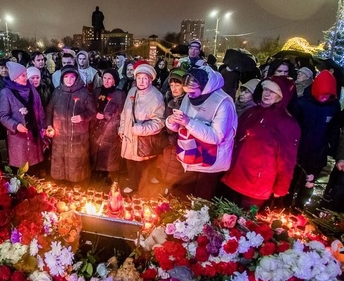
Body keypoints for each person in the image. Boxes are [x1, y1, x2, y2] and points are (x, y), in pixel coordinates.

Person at [220, 76, 300, 209]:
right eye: (265, 89)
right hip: (235, 176)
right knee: (222, 220)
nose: (267, 94)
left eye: (273, 92)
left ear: (281, 96)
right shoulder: (251, 112)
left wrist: (281, 187)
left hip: (257, 184)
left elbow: (287, 159)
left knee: (244, 225)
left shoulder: (287, 123)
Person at [164, 67, 237, 200]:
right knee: (183, 199)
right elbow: (182, 126)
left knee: (200, 204)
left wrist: (188, 122)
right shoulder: (189, 95)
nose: (189, 96)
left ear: (204, 87)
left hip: (208, 164)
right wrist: (171, 121)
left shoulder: (223, 103)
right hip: (190, 157)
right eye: (187, 92)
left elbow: (216, 137)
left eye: (192, 92)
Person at [289, 70, 340, 209]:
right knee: (291, 180)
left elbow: (334, 130)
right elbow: (292, 127)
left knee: (309, 182)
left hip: (318, 152)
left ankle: (299, 208)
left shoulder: (333, 106)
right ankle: (284, 205)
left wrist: (332, 150)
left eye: (328, 95)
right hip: (299, 150)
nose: (325, 97)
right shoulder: (301, 103)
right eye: (322, 94)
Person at [119, 63, 165, 195]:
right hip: (129, 136)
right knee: (130, 162)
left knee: (142, 165)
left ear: (151, 80)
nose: (142, 81)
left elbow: (159, 122)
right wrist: (122, 129)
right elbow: (125, 112)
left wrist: (141, 129)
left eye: (145, 78)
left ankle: (144, 189)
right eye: (139, 78)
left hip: (143, 139)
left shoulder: (156, 97)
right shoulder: (132, 91)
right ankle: (133, 184)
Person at [45, 65, 97, 183]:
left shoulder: (84, 93)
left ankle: (77, 182)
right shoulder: (57, 92)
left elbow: (92, 112)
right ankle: (61, 181)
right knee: (60, 159)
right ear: (62, 78)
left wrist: (82, 117)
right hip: (60, 136)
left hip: (77, 136)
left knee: (76, 161)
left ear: (77, 78)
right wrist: (49, 125)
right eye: (66, 77)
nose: (69, 79)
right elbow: (49, 110)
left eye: (72, 77)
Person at [0, 62, 45, 174]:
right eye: (22, 75)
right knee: (22, 169)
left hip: (33, 135)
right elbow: (2, 115)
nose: (26, 77)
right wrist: (15, 125)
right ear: (14, 78)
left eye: (25, 74)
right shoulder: (6, 93)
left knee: (34, 167)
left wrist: (42, 127)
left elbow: (40, 109)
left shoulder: (32, 90)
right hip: (18, 139)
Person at [90, 68, 126, 184]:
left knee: (109, 152)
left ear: (114, 81)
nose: (106, 81)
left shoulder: (119, 94)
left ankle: (108, 173)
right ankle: (96, 171)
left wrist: (109, 116)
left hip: (111, 126)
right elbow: (91, 106)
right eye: (104, 78)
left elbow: (121, 112)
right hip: (97, 125)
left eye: (109, 78)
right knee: (96, 149)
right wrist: (95, 114)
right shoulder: (97, 91)